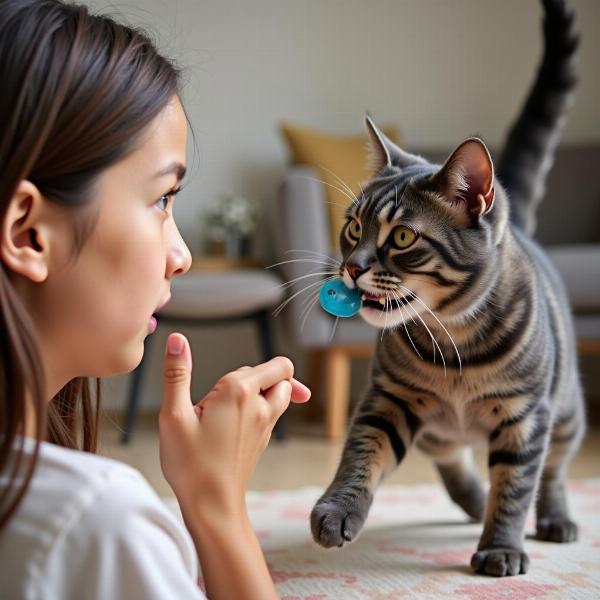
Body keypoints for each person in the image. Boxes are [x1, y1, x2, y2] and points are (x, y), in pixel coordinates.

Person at [0, 1, 311, 598]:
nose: (182, 254)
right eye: (162, 200)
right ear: (27, 233)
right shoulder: (92, 524)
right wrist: (216, 508)